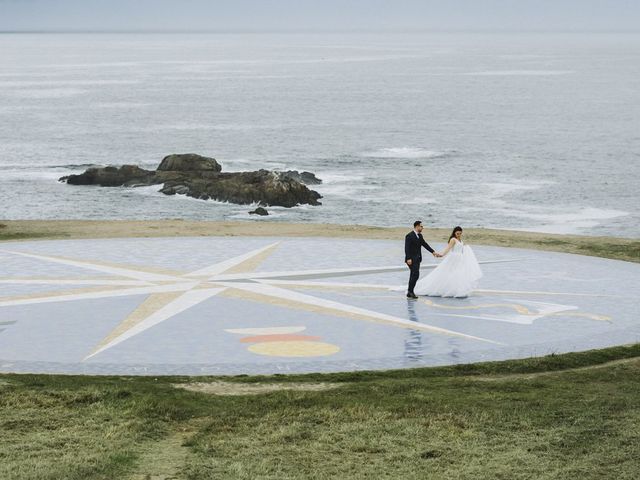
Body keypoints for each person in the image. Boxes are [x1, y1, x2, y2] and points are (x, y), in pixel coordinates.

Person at [414, 226, 482, 298]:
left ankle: (457, 289)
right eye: (457, 233)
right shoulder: (453, 239)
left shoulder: (460, 240)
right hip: (453, 258)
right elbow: (448, 248)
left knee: (458, 274)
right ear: (454, 233)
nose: (458, 235)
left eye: (460, 233)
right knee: (449, 273)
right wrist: (442, 254)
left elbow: (462, 250)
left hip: (460, 259)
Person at [404, 220, 440, 299]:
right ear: (417, 226)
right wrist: (408, 258)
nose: (422, 228)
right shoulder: (409, 236)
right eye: (421, 226)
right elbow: (407, 248)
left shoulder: (420, 236)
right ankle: (410, 292)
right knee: (415, 274)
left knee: (413, 274)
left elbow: (425, 244)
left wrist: (433, 252)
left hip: (417, 258)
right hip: (411, 259)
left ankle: (410, 292)